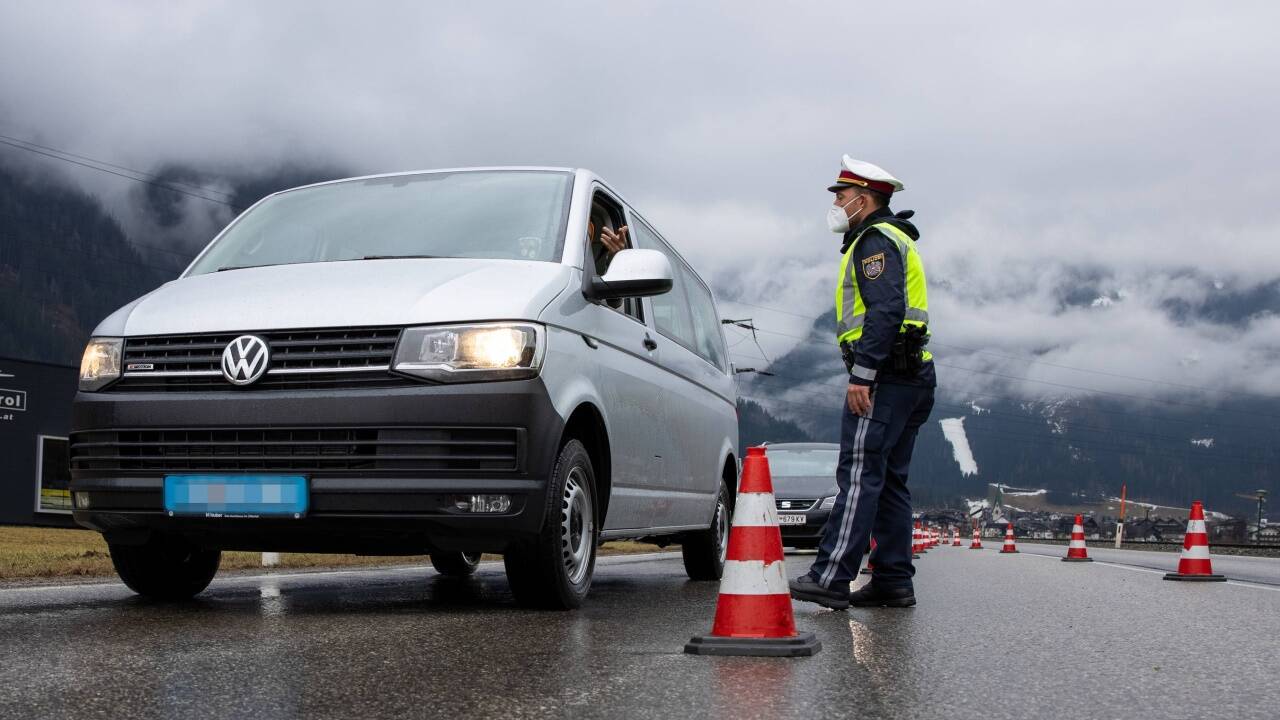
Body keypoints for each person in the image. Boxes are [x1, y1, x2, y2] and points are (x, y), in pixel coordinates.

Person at [788, 155, 936, 609]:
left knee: (858, 474)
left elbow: (885, 311)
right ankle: (893, 580)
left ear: (865, 198)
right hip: (913, 377)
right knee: (890, 481)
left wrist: (863, 375)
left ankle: (831, 576)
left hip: (886, 378)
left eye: (841, 194)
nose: (835, 201)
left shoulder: (873, 241)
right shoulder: (892, 237)